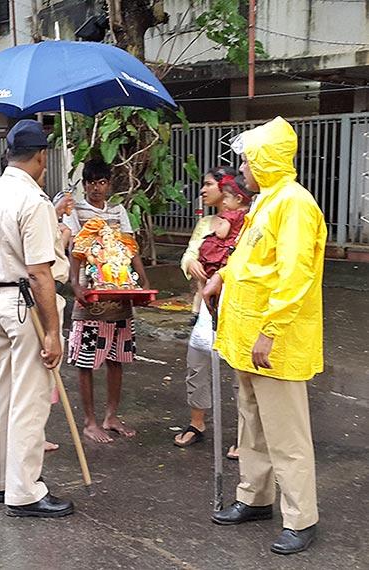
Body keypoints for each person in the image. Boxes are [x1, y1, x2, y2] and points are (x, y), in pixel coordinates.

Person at [203, 116, 327, 555]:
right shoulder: (269, 202)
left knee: (287, 435)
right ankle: (254, 497)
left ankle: (301, 517)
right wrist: (222, 276)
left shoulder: (294, 204)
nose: (243, 170)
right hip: (246, 337)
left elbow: (295, 276)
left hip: (273, 341)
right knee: (251, 425)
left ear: (266, 161)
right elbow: (253, 260)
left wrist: (271, 332)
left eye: (249, 161)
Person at [0, 119, 74, 518]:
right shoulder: (33, 202)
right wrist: (52, 331)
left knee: (5, 394)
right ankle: (25, 491)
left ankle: (4, 482)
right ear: (41, 157)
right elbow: (40, 271)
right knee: (29, 402)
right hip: (25, 303)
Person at [65, 158, 150, 444]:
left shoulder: (118, 210)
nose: (96, 188)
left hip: (120, 292)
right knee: (86, 361)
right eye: (91, 182)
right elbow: (74, 248)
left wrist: (144, 280)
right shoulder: (74, 209)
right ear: (85, 184)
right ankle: (89, 421)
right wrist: (74, 283)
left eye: (101, 182)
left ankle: (111, 416)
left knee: (117, 359)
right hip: (90, 296)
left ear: (109, 185)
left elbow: (130, 246)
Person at [174, 167, 246, 453]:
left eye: (208, 185)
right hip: (205, 306)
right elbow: (190, 252)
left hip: (237, 305)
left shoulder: (247, 223)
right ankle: (197, 423)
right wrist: (190, 263)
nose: (202, 190)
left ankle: (246, 435)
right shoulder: (205, 223)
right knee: (197, 361)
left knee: (241, 371)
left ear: (228, 191)